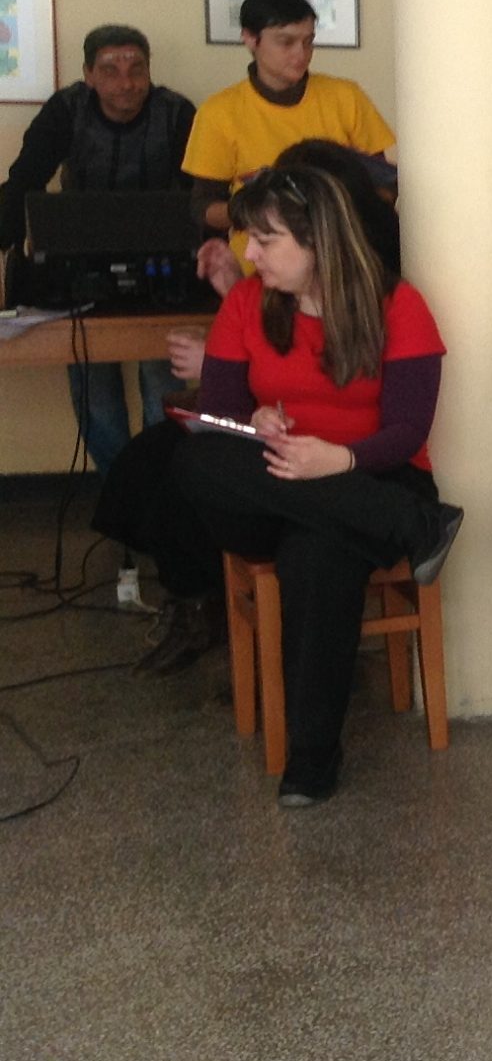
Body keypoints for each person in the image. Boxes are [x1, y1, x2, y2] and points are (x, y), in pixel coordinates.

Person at [169, 165, 462, 806]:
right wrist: (255, 419)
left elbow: (408, 430)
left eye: (266, 239)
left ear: (318, 238)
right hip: (282, 484)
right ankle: (416, 524)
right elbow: (217, 413)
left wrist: (341, 460)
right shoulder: (247, 303)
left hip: (374, 473)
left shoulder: (398, 304)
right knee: (195, 459)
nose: (250, 254)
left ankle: (311, 758)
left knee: (320, 551)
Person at [102, 142, 404, 677]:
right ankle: (205, 602)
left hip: (340, 444)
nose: (256, 248)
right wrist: (230, 307)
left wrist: (224, 360)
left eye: (269, 235)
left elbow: (333, 370)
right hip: (273, 427)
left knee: (186, 478)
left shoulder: (373, 277)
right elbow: (263, 348)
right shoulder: (274, 282)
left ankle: (227, 610)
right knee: (154, 462)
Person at [0, 24, 197, 468]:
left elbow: (201, 192)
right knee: (93, 382)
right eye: (110, 70)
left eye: (136, 69)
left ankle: (158, 486)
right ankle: (118, 484)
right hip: (78, 263)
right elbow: (25, 179)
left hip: (160, 263)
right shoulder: (65, 110)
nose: (126, 82)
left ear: (149, 71)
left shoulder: (176, 112)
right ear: (88, 74)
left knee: (162, 380)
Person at [182, 0, 395, 285]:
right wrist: (258, 208)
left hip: (343, 269)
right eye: (286, 42)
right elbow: (203, 208)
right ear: (250, 39)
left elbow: (385, 186)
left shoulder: (346, 97)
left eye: (308, 41)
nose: (301, 54)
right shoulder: (218, 113)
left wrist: (338, 208)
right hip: (261, 272)